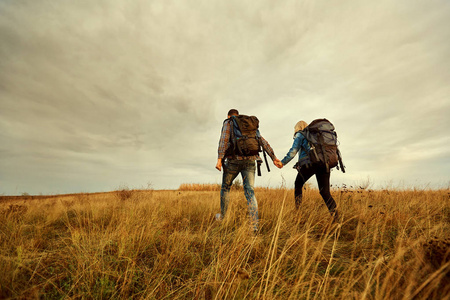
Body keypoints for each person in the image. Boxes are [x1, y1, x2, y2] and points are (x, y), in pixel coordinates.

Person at [216, 109, 281, 232]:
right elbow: (261, 140)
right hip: (251, 161)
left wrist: (219, 159)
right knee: (250, 192)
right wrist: (274, 157)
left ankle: (223, 218)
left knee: (225, 188)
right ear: (238, 115)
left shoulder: (229, 122)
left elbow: (224, 140)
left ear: (229, 116)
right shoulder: (250, 125)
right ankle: (254, 226)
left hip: (233, 161)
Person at [274, 120, 339, 221]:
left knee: (298, 184)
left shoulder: (300, 134)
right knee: (325, 192)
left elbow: (293, 151)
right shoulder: (316, 136)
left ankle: (298, 213)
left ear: (297, 128)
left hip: (310, 164)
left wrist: (282, 162)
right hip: (324, 163)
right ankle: (336, 217)